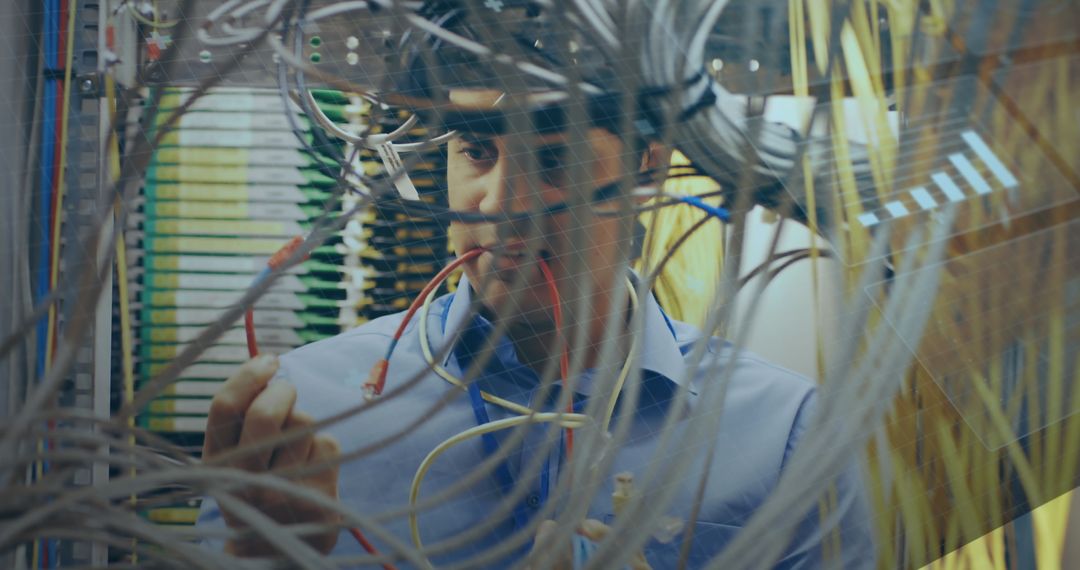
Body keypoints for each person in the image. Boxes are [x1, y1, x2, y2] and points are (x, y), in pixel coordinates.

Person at [194, 85, 876, 568]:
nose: (500, 203)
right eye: (478, 151)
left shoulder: (785, 435)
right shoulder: (305, 419)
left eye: (553, 159)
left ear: (648, 169)